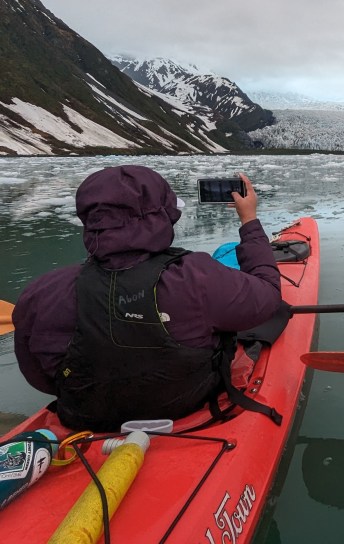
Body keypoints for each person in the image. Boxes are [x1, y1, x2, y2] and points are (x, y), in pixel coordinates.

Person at [13, 165, 283, 432]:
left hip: (85, 418)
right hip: (187, 406)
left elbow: (40, 378)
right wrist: (249, 221)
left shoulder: (41, 292)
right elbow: (268, 296)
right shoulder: (197, 278)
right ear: (163, 213)